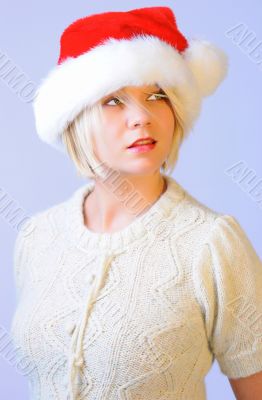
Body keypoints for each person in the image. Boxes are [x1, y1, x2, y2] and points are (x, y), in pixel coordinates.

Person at [11, 6, 262, 400]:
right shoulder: (37, 236)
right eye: (113, 101)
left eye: (156, 95)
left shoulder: (212, 244)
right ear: (75, 116)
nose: (141, 117)